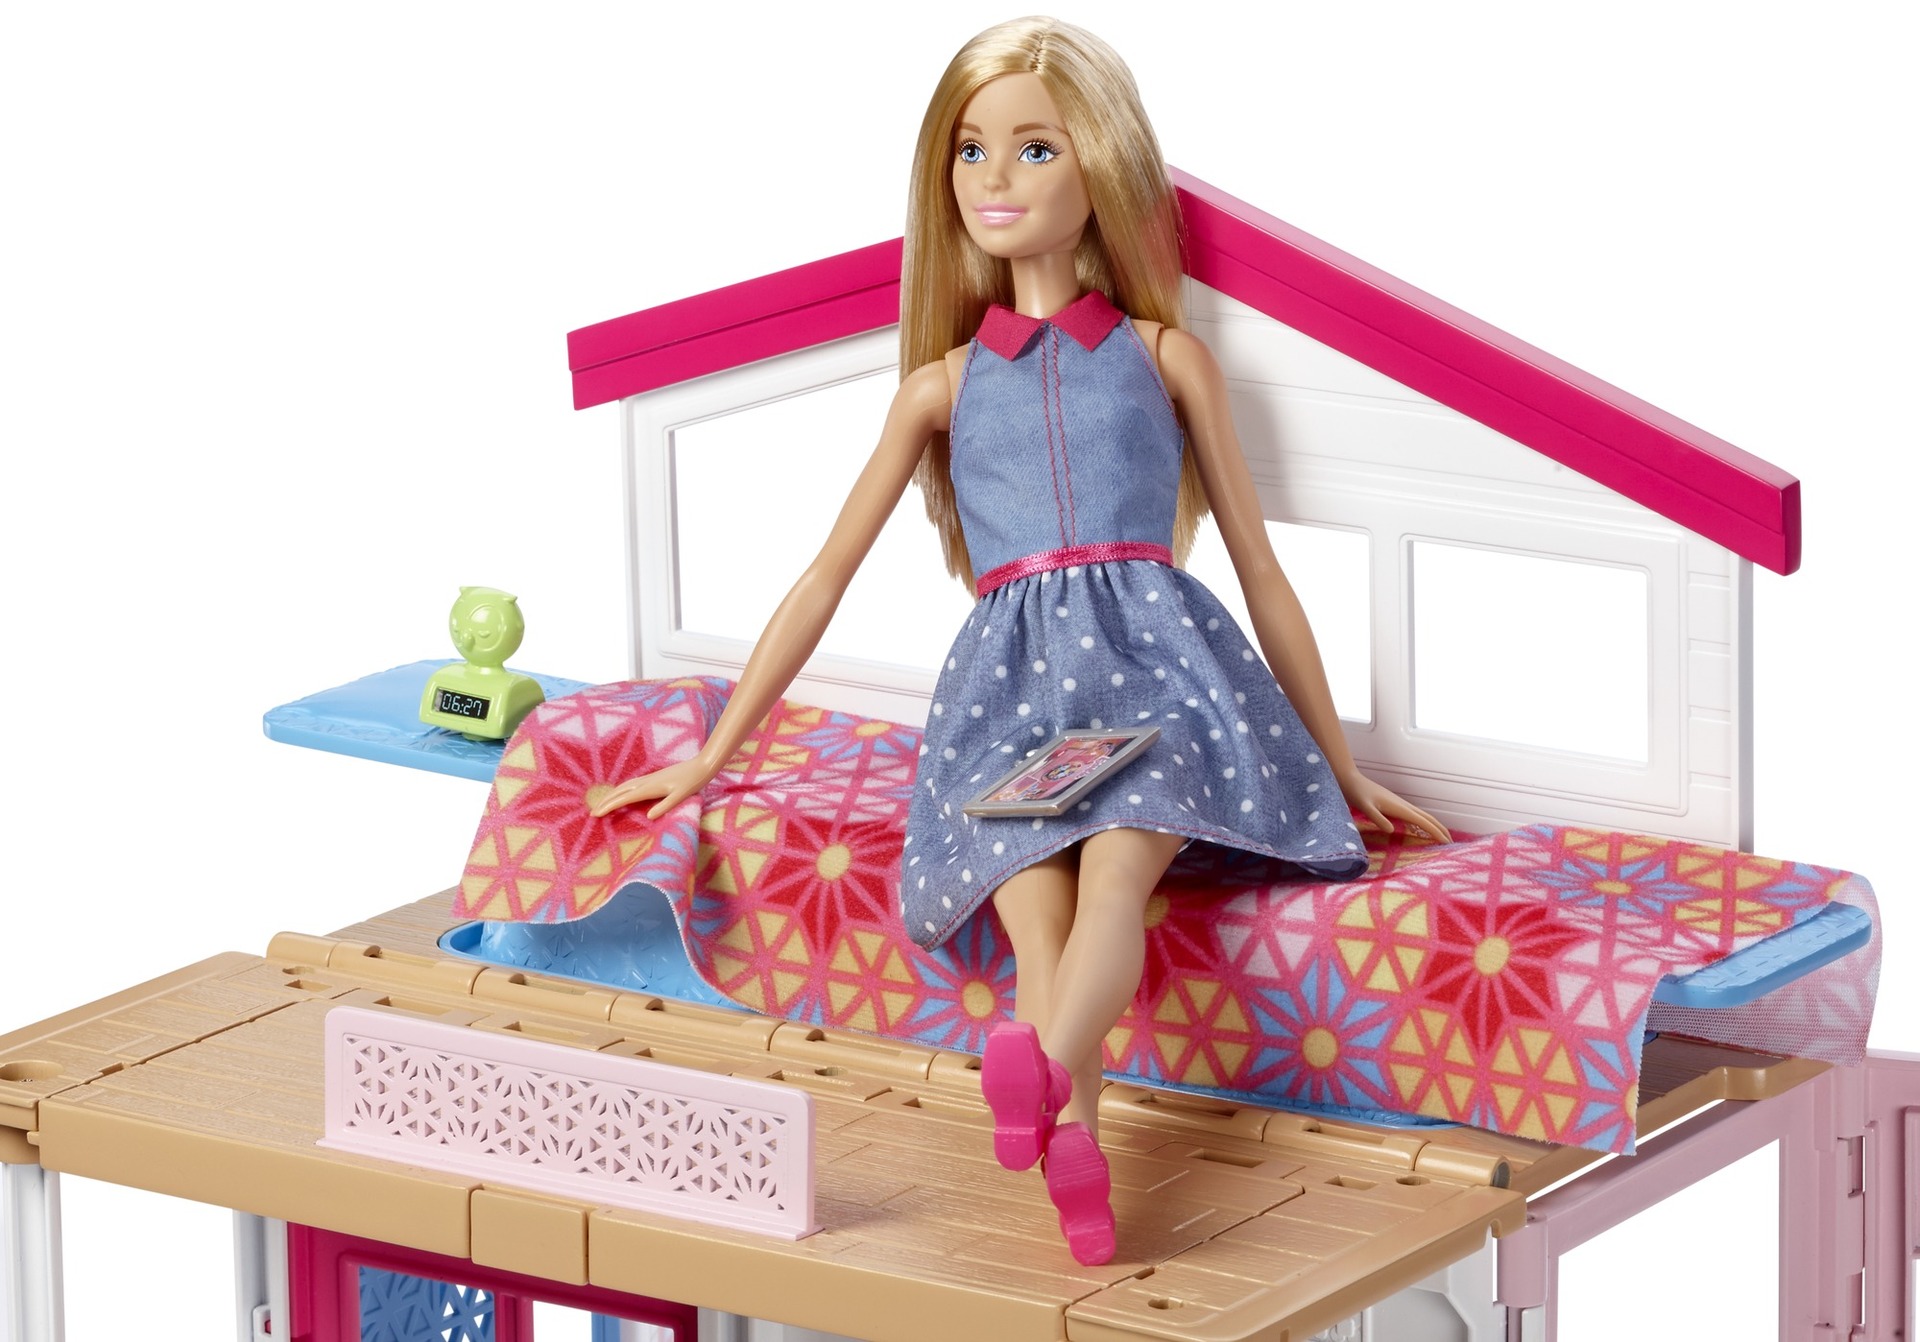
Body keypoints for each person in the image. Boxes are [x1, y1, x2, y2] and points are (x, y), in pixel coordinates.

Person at [591, 16, 1447, 1265]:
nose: (995, 177)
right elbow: (824, 575)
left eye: (1036, 148)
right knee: (1042, 912)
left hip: (1158, 682)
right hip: (1011, 703)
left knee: (1116, 873)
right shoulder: (940, 386)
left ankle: (1040, 1071)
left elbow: (1263, 570)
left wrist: (1342, 760)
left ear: (1104, 163)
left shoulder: (1165, 357)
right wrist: (713, 754)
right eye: (971, 149)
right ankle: (1076, 1154)